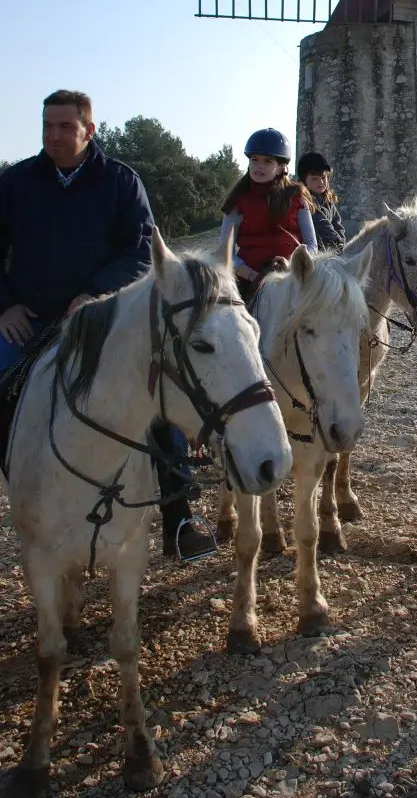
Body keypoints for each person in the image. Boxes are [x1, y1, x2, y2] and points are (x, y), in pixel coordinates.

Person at [0, 89, 214, 559]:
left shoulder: (120, 182)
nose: (53, 136)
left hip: (104, 320)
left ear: (88, 130)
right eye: (47, 126)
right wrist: (5, 306)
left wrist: (93, 294)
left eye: (65, 127)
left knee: (158, 398)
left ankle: (181, 517)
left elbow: (140, 250)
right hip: (28, 318)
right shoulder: (16, 182)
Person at [221, 128, 317, 301]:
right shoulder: (237, 200)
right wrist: (253, 276)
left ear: (281, 167)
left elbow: (311, 244)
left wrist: (291, 266)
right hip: (248, 282)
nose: (259, 166)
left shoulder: (297, 196)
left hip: (292, 279)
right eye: (254, 160)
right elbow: (225, 250)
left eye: (267, 161)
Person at [296, 151, 346, 252]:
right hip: (310, 252)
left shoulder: (328, 200)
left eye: (324, 177)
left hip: (330, 249)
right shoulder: (305, 200)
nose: (321, 182)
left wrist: (343, 242)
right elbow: (322, 225)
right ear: (304, 180)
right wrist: (338, 244)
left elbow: (337, 224)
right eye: (315, 179)